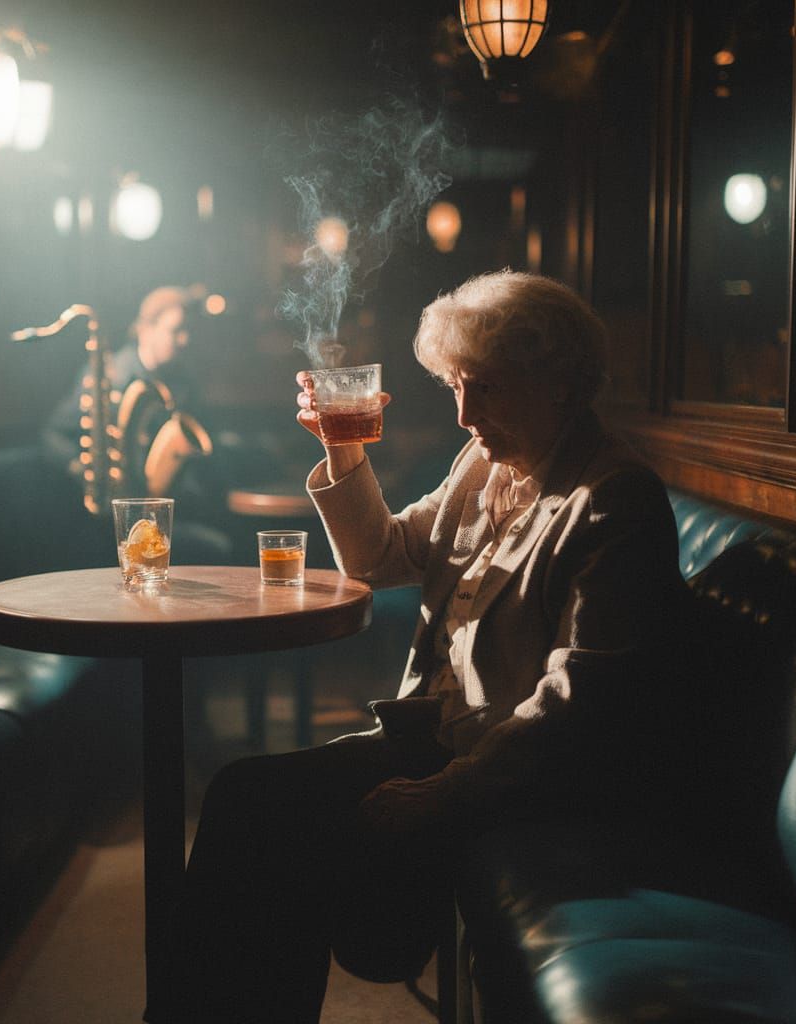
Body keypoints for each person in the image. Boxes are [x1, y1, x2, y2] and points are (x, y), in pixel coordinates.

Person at [166, 270, 695, 1022]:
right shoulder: (483, 465)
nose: (465, 414)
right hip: (435, 739)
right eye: (455, 386)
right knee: (248, 800)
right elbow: (379, 556)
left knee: (266, 813)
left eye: (487, 388)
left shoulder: (613, 496)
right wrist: (343, 449)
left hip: (514, 771)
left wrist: (448, 790)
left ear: (561, 383)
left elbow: (577, 702)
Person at [43, 285, 231, 565]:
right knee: (215, 550)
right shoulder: (109, 377)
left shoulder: (183, 379)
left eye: (188, 331)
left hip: (167, 511)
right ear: (145, 329)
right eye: (176, 330)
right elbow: (53, 435)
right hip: (114, 520)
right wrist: (85, 470)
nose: (185, 340)